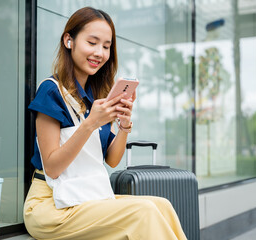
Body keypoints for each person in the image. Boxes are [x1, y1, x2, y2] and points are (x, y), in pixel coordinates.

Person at [23, 6, 187, 240]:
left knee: (162, 205)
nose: (99, 52)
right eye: (92, 42)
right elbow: (52, 167)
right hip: (49, 205)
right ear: (69, 40)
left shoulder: (95, 96)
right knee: (145, 212)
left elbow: (111, 159)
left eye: (106, 46)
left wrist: (124, 125)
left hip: (84, 197)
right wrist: (91, 123)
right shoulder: (51, 90)